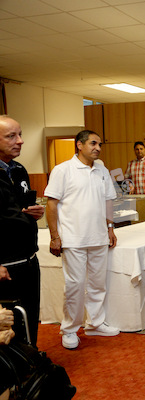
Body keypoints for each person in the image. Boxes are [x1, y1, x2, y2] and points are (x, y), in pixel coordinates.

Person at [44, 130, 120, 350]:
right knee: (75, 286)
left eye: (100, 144)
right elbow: (51, 204)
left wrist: (110, 227)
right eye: (93, 143)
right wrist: (54, 236)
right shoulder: (63, 170)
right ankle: (69, 329)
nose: (97, 147)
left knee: (97, 284)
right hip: (73, 238)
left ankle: (95, 323)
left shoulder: (102, 169)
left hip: (98, 236)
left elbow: (108, 200)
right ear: (79, 145)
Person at [0, 115, 45, 347]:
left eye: (20, 134)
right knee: (8, 323)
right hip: (5, 266)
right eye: (11, 136)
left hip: (28, 258)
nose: (20, 141)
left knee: (30, 314)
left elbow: (21, 209)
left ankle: (30, 360)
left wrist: (36, 213)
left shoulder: (18, 170)